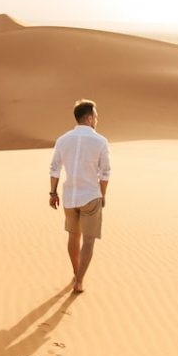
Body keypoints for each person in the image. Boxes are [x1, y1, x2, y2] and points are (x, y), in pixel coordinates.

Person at [48, 99, 111, 294]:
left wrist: (53, 193)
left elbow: (54, 169)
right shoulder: (100, 141)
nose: (97, 120)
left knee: (73, 236)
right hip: (91, 196)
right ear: (90, 118)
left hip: (69, 197)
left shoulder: (63, 139)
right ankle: (80, 281)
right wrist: (103, 194)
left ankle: (75, 273)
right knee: (89, 240)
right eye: (96, 116)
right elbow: (106, 172)